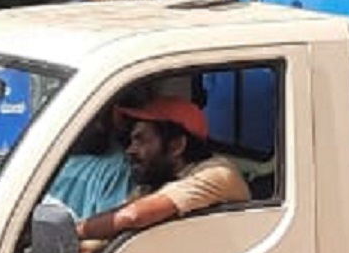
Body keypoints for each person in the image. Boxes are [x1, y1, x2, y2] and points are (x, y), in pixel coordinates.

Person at [73, 97, 248, 243]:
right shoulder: (152, 184)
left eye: (141, 140)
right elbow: (114, 227)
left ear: (176, 146)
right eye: (132, 141)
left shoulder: (217, 173)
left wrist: (71, 233)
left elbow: (131, 216)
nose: (130, 150)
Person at [45, 110, 134, 224]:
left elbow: (108, 234)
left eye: (101, 117)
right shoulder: (45, 162)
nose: (99, 126)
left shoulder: (117, 168)